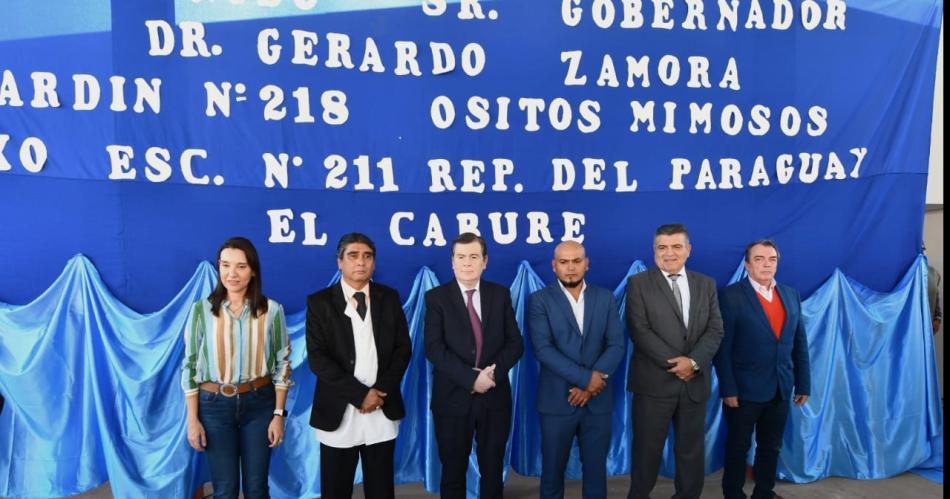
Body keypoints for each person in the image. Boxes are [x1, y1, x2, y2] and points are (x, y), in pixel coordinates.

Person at [181, 236, 292, 499]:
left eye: (241, 266)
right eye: (225, 265)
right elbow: (190, 365)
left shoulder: (272, 310)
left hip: (259, 404)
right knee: (224, 490)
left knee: (257, 488)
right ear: (218, 267)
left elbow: (283, 364)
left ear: (253, 271)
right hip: (214, 406)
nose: (232, 273)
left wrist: (278, 415)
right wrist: (192, 420)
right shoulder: (201, 310)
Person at [305, 232, 412, 499]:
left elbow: (403, 350)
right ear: (339, 261)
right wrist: (359, 394)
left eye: (367, 256)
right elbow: (318, 358)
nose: (361, 262)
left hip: (381, 407)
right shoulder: (320, 302)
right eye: (353, 256)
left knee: (381, 490)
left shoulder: (389, 297)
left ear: (374, 262)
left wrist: (378, 392)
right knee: (336, 490)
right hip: (338, 410)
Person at [625, 223, 723, 499]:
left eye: (676, 246)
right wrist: (677, 364)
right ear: (654, 250)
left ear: (688, 250)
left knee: (691, 453)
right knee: (646, 452)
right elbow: (639, 330)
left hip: (694, 383)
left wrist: (693, 362)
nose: (669, 253)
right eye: (662, 247)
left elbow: (715, 329)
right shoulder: (638, 283)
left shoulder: (706, 284)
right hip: (653, 385)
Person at [424, 232, 524, 499]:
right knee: (453, 472)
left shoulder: (500, 295)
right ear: (452, 262)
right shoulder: (436, 298)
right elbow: (434, 349)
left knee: (492, 471)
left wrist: (491, 376)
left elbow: (515, 344)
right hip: (453, 399)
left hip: (494, 396)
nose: (467, 263)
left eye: (473, 256)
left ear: (485, 261)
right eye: (461, 257)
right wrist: (471, 379)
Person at [713, 240, 811, 499]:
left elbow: (799, 342)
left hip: (780, 387)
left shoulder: (790, 294)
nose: (766, 264)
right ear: (747, 265)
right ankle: (733, 494)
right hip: (743, 391)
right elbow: (722, 348)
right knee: (738, 447)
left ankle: (764, 492)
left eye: (771, 259)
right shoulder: (730, 296)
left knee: (771, 446)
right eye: (759, 259)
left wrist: (803, 383)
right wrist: (728, 388)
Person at [528, 241, 625, 499]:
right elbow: (543, 349)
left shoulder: (605, 298)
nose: (570, 267)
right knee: (552, 472)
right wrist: (586, 380)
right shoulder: (539, 300)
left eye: (576, 261)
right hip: (557, 402)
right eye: (564, 262)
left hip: (597, 401)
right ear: (554, 266)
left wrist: (591, 385)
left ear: (586, 263)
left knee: (595, 473)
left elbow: (617, 344)